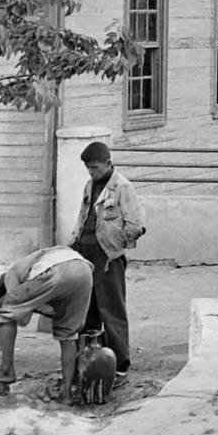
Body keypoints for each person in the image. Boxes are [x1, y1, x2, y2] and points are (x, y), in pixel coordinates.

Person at [71, 141, 145, 383]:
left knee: (111, 309)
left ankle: (120, 365)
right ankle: (90, 362)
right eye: (88, 168)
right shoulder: (89, 185)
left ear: (108, 164)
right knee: (87, 310)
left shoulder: (123, 188)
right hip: (84, 252)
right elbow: (82, 217)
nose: (91, 172)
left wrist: (116, 244)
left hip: (108, 256)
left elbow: (135, 225)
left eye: (94, 168)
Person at [0, 245, 94, 403]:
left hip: (58, 270)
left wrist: (1, 307)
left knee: (7, 314)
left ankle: (6, 370)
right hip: (84, 272)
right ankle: (66, 394)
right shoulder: (33, 265)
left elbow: (22, 318)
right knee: (68, 335)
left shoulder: (10, 275)